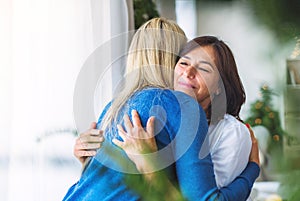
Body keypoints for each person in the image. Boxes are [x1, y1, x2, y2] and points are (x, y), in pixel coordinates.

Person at [64, 18, 259, 201]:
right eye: (183, 61)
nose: (187, 71)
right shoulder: (182, 106)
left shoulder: (113, 107)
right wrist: (253, 169)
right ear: (172, 60)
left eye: (203, 68)